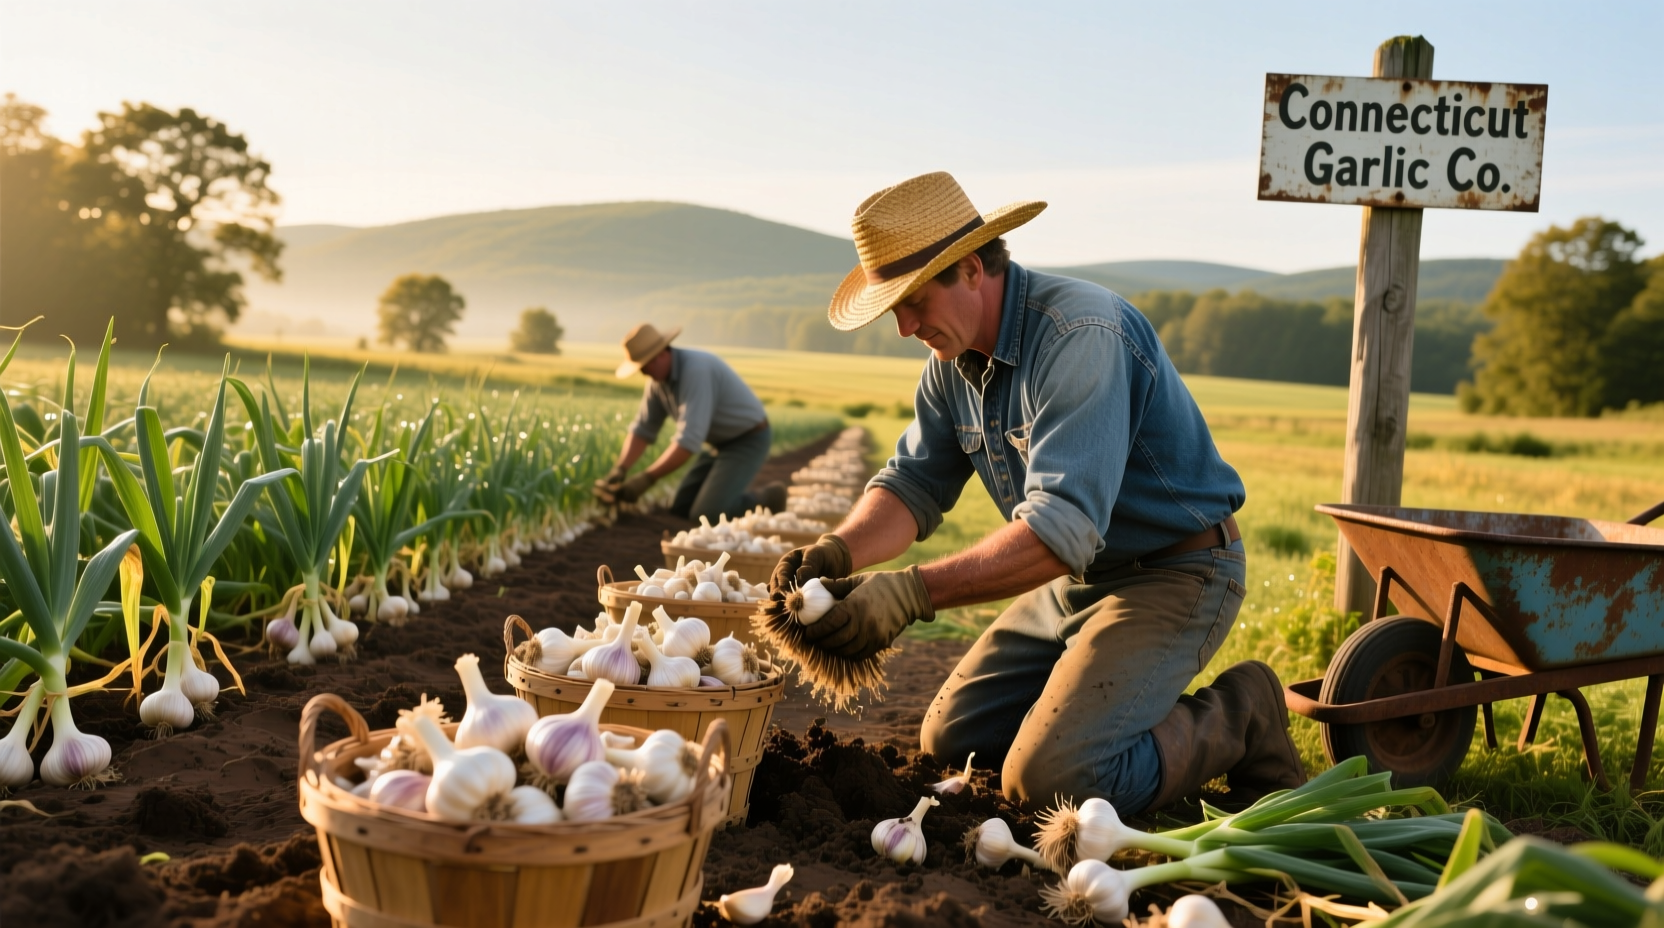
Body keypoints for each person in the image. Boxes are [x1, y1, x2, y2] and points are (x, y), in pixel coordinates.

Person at [769, 172, 1305, 813]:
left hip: (1174, 572)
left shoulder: (1080, 337)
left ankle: (1242, 716)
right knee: (952, 739)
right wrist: (837, 552)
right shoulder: (952, 366)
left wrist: (914, 593)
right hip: (1077, 580)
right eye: (892, 308)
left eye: (913, 300)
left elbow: (1061, 528)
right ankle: (1089, 713)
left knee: (1053, 781)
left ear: (970, 268)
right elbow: (912, 484)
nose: (905, 327)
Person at [598, 323, 787, 521]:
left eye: (645, 366)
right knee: (681, 507)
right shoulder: (657, 382)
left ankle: (768, 498)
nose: (643, 373)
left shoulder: (696, 371)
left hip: (748, 440)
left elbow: (688, 441)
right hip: (719, 444)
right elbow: (643, 429)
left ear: (661, 354)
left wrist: (647, 479)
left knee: (708, 515)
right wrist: (620, 469)